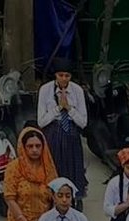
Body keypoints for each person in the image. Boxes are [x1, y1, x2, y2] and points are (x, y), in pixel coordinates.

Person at [36, 59, 90, 197]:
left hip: (71, 133)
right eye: (61, 75)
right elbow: (41, 122)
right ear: (55, 75)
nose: (64, 79)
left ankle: (74, 197)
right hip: (53, 133)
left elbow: (83, 122)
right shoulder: (45, 90)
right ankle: (53, 196)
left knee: (73, 167)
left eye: (67, 76)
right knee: (54, 167)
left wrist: (69, 108)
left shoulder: (77, 90)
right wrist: (58, 108)